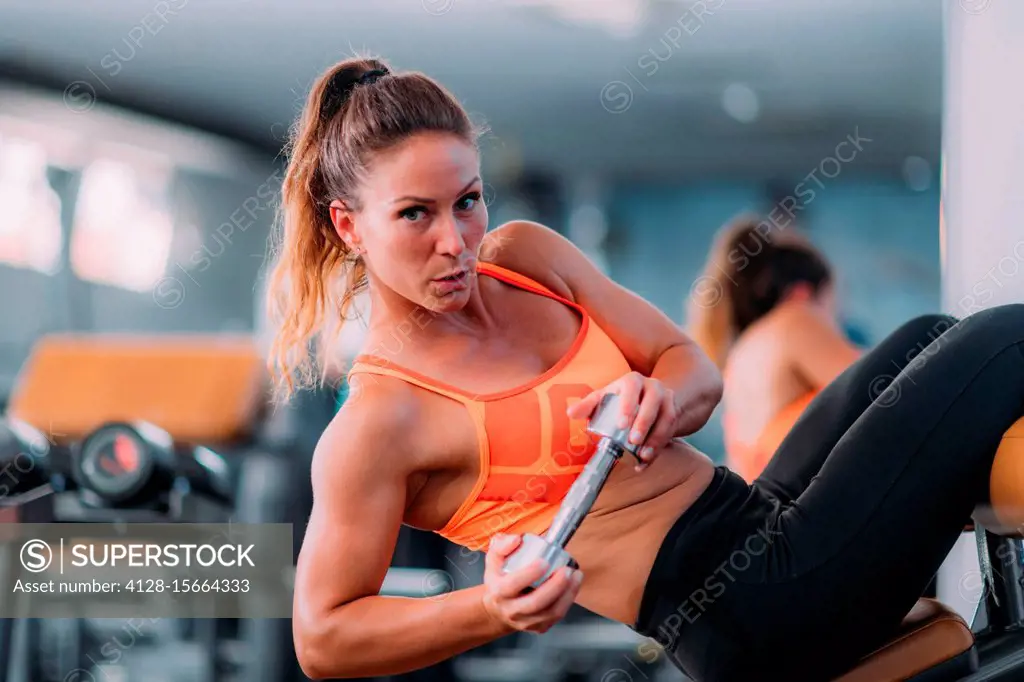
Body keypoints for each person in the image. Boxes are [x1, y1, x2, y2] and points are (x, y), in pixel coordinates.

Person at [265, 56, 1024, 682]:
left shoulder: (525, 258)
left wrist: (659, 394)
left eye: (467, 201)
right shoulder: (379, 420)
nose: (455, 241)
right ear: (348, 226)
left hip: (752, 516)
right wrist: (491, 608)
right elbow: (322, 638)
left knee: (929, 337)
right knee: (1002, 339)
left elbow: (688, 364)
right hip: (752, 608)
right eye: (414, 215)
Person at [686, 217, 862, 482]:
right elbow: (892, 393)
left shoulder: (740, 356)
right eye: (833, 306)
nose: (836, 323)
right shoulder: (795, 320)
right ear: (802, 294)